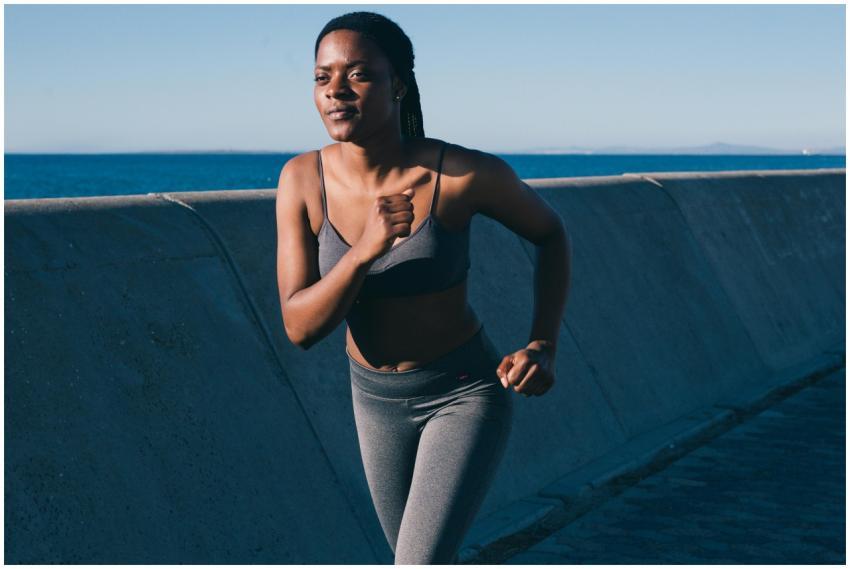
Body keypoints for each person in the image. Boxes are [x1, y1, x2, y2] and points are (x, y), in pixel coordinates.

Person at [275, 11, 571, 564]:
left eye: (358, 74)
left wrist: (543, 343)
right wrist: (364, 249)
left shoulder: (459, 175)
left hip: (461, 391)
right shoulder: (301, 180)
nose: (336, 90)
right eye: (322, 77)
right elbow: (299, 326)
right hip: (374, 402)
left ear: (399, 85)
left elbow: (551, 233)